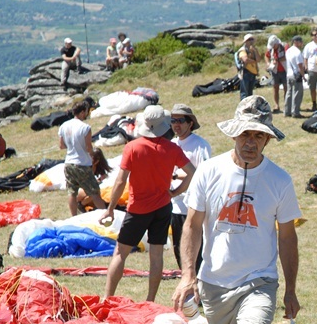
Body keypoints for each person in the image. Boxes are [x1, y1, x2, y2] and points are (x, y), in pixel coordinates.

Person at [172, 95, 301, 324]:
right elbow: (193, 225)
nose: (250, 141)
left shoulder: (279, 180)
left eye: (258, 136)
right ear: (234, 134)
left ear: (267, 140)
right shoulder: (210, 172)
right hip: (214, 284)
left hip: (259, 282)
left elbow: (288, 236)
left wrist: (290, 289)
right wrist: (187, 275)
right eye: (245, 133)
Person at [101, 105, 195, 303]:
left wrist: (110, 209)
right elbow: (192, 172)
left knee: (120, 252)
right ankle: (150, 300)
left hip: (137, 210)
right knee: (156, 254)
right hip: (162, 207)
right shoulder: (172, 148)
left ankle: (108, 298)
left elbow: (120, 182)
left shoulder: (133, 147)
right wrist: (176, 192)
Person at [169, 103, 211, 270]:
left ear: (190, 123)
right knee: (180, 251)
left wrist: (176, 177)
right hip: (175, 206)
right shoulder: (172, 144)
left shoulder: (200, 145)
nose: (176, 125)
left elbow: (204, 173)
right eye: (173, 121)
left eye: (180, 120)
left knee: (197, 253)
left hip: (193, 206)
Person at [59, 100, 105, 216]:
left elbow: (61, 145)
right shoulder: (85, 127)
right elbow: (88, 147)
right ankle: (105, 216)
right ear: (83, 112)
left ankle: (74, 217)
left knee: (72, 192)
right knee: (94, 192)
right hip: (82, 163)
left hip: (68, 163)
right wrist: (91, 153)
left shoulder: (64, 126)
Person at [284, 35, 306, 118]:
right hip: (296, 74)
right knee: (297, 93)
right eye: (300, 41)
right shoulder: (297, 52)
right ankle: (295, 112)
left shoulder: (288, 50)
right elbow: (299, 65)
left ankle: (287, 111)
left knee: (289, 93)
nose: (301, 43)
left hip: (289, 74)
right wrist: (303, 75)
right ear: (296, 42)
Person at [264, 35, 287, 112]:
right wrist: (268, 63)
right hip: (274, 70)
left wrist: (277, 59)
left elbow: (287, 56)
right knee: (275, 87)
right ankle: (276, 105)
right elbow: (266, 56)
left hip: (284, 69)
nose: (273, 47)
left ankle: (286, 104)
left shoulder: (284, 47)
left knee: (286, 87)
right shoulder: (270, 49)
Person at [302, 28, 317, 112]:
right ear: (312, 36)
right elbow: (305, 58)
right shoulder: (308, 46)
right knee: (312, 88)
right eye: (315, 34)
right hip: (312, 70)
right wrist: (306, 67)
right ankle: (314, 103)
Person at [237, 34, 260, 100]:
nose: (251, 41)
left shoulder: (253, 50)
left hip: (253, 73)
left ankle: (249, 108)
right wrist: (254, 61)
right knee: (244, 93)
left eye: (252, 39)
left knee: (250, 93)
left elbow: (258, 59)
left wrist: (255, 51)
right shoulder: (242, 50)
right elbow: (245, 60)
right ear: (246, 41)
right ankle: (243, 108)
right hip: (245, 73)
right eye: (249, 40)